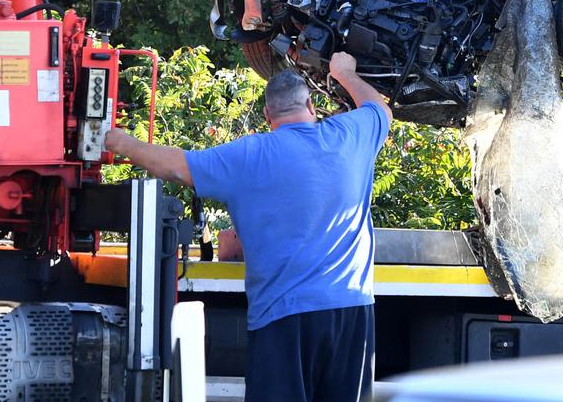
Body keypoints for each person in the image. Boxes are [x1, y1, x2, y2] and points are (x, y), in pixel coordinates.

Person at [104, 51, 390, 402]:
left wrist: (121, 142)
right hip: (351, 310)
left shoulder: (249, 155)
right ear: (311, 105)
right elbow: (380, 111)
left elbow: (177, 167)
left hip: (283, 317)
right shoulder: (349, 136)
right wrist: (345, 73)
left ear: (268, 114)